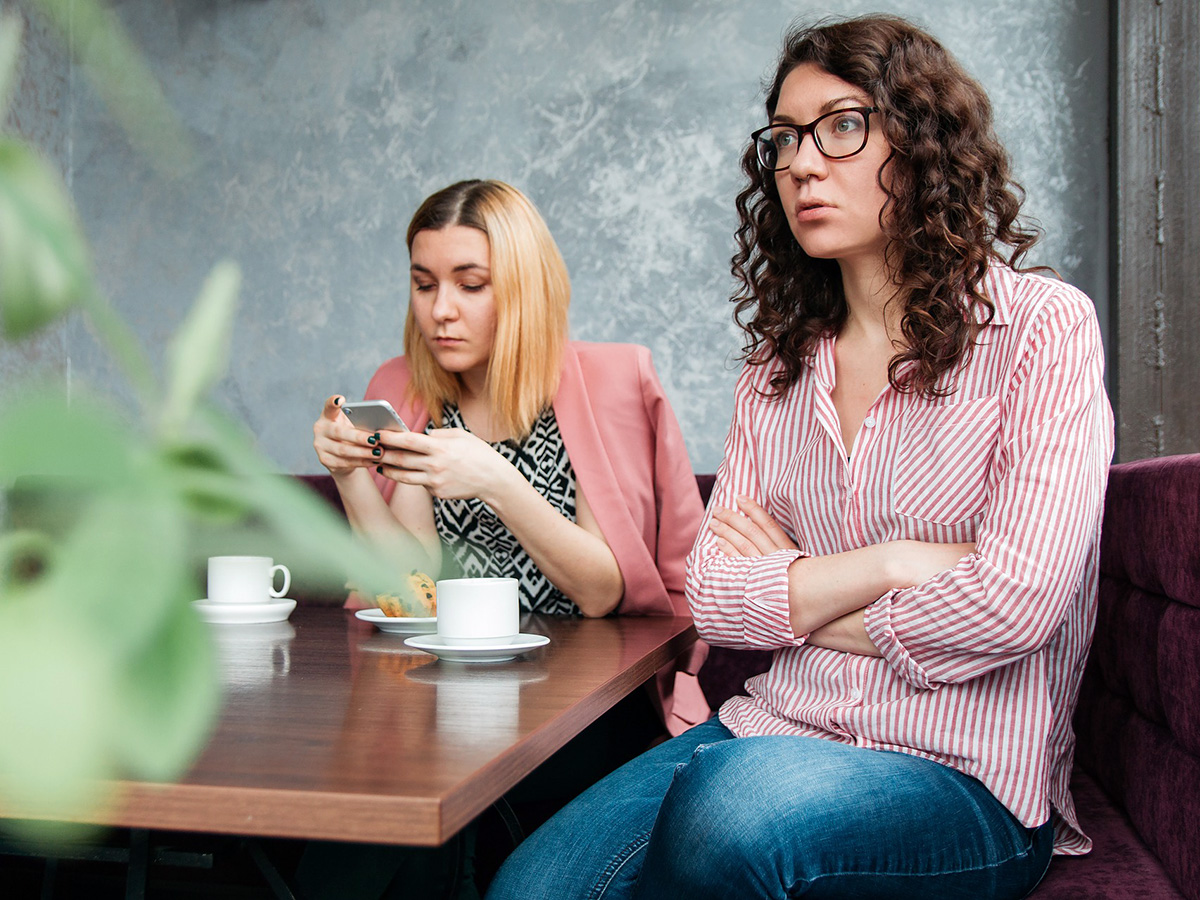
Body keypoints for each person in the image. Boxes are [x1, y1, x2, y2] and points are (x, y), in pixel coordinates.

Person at [485, 14, 1113, 900]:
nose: (804, 164)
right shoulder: (776, 370)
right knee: (528, 888)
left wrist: (798, 587)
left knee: (734, 814)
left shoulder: (1042, 330)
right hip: (776, 725)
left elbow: (1017, 605)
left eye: (843, 127)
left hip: (967, 778)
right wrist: (891, 565)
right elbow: (716, 600)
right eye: (785, 140)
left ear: (924, 142)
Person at [313, 178, 709, 733]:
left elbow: (601, 592)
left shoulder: (612, 382)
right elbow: (412, 582)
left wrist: (496, 480)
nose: (440, 311)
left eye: (470, 285)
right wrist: (348, 474)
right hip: (443, 688)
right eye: (424, 285)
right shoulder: (404, 385)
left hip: (586, 696)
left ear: (524, 289)